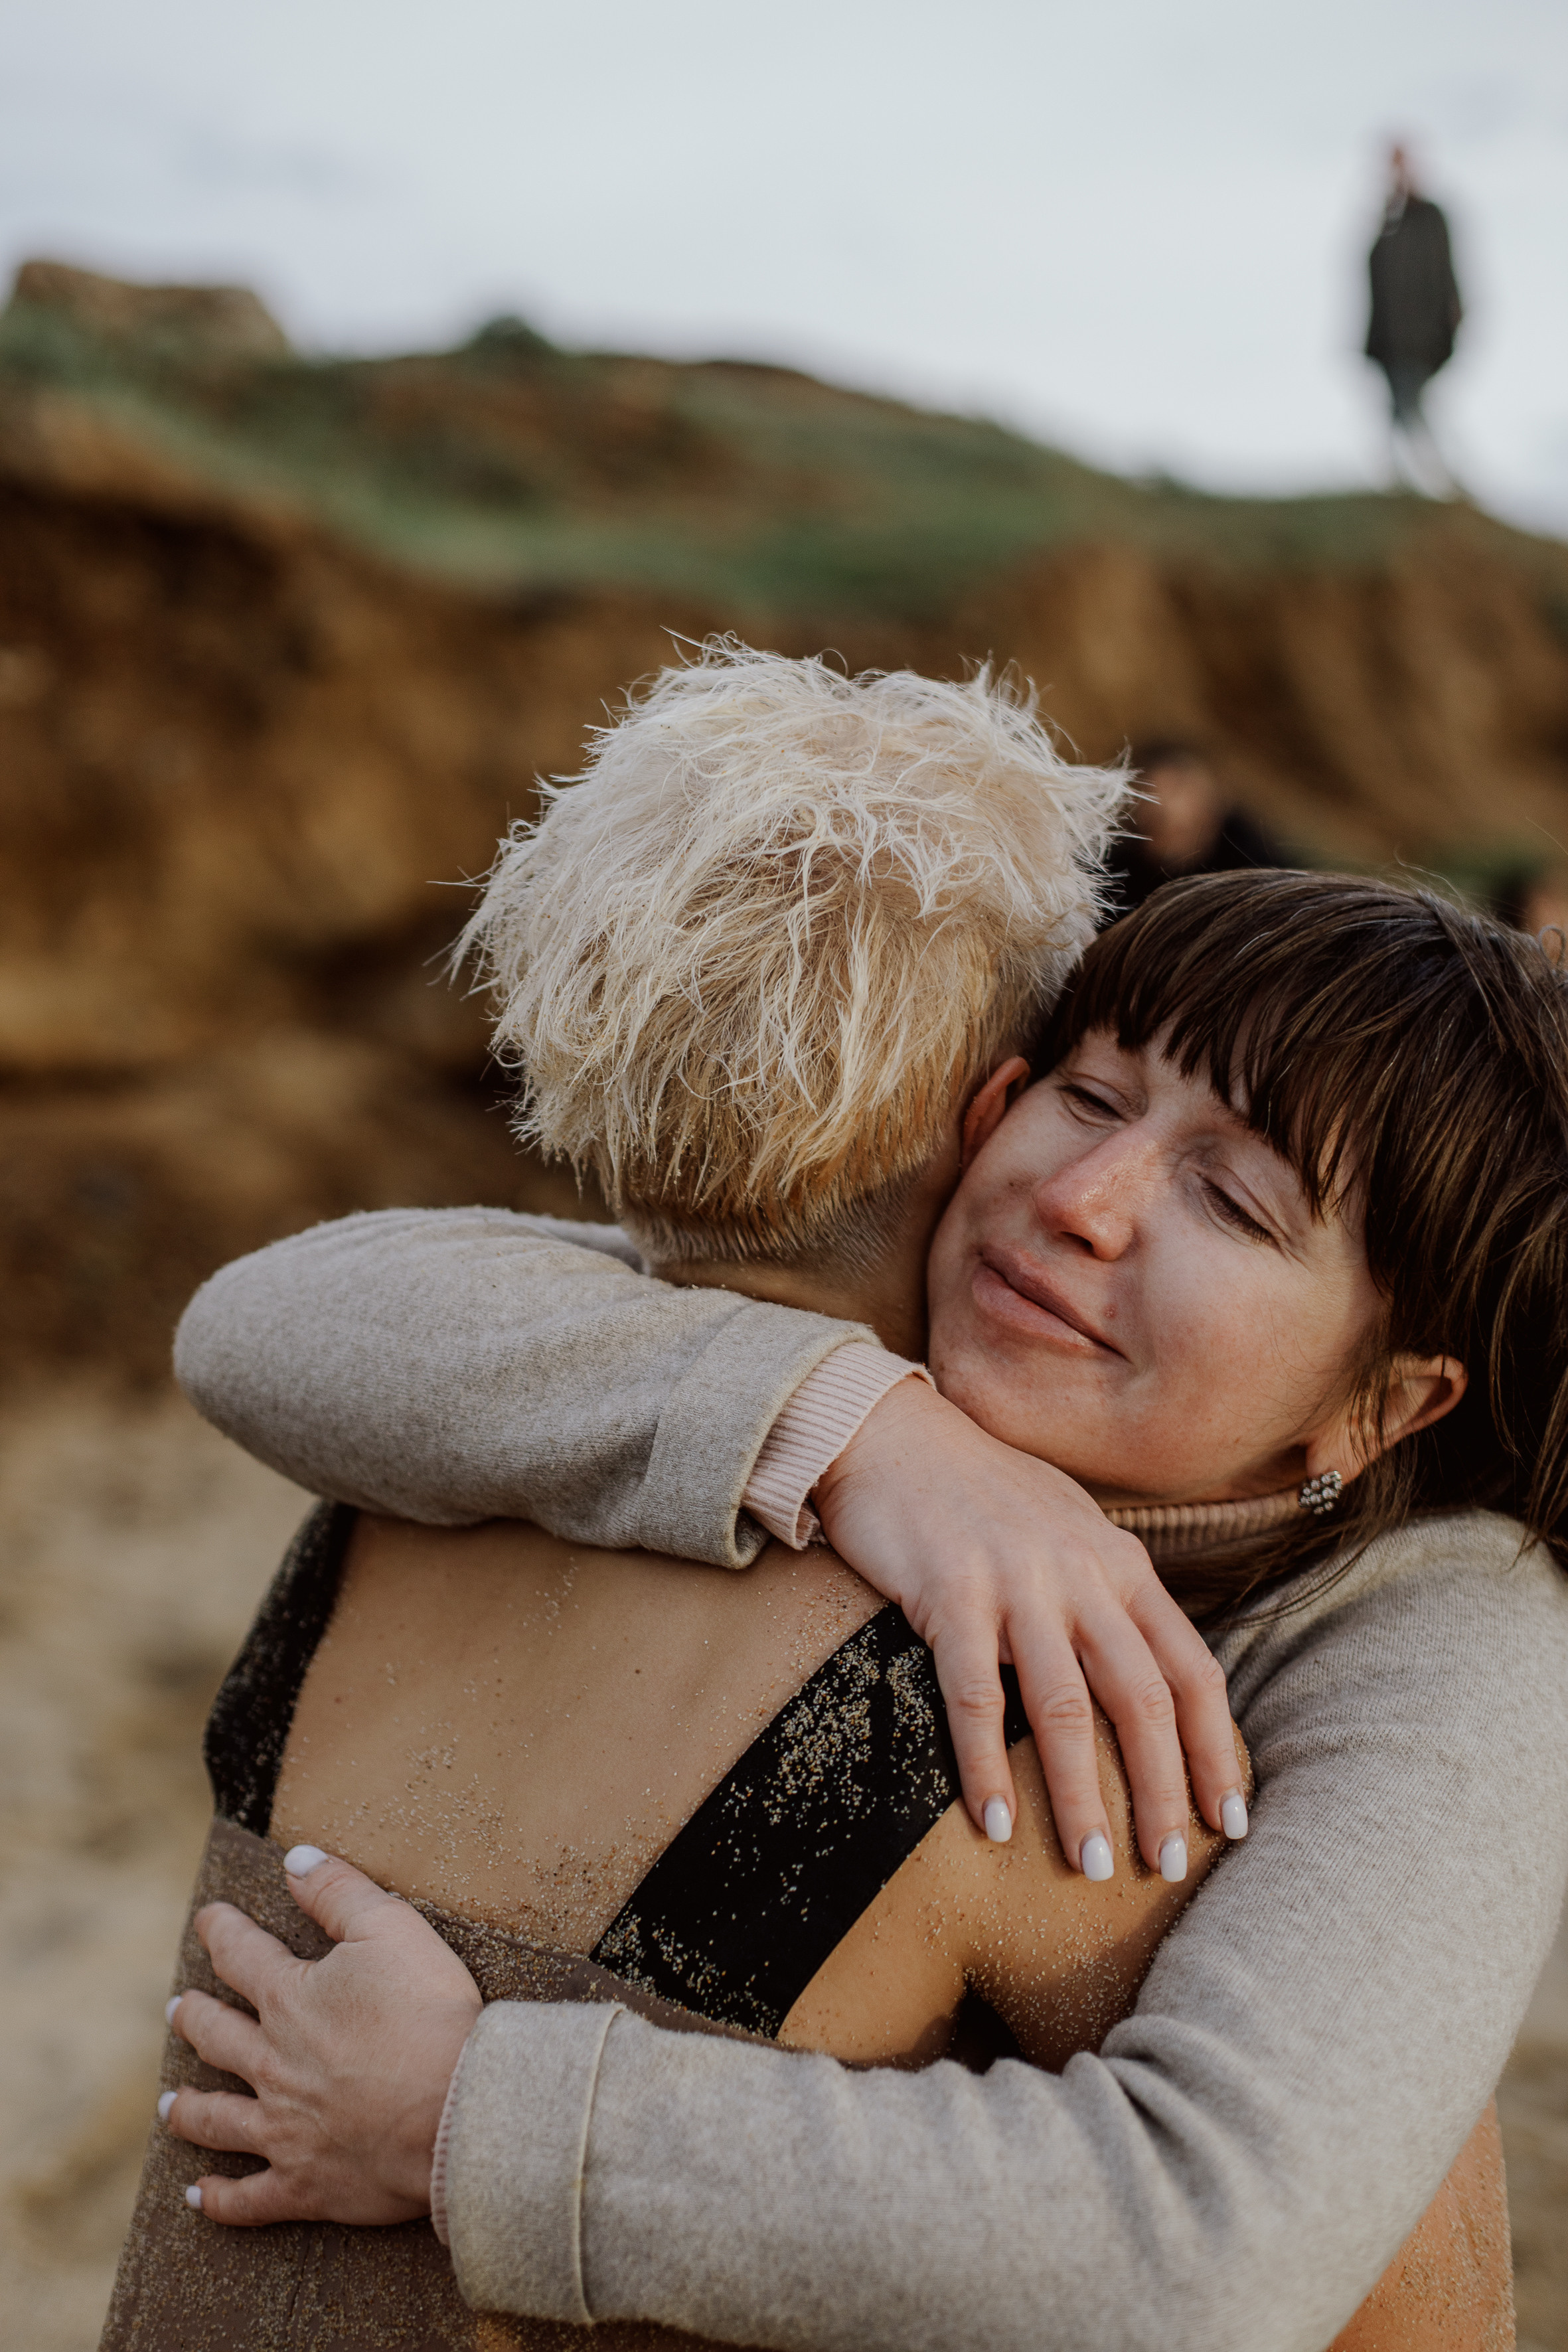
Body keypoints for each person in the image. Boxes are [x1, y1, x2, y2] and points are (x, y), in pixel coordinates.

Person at [161, 856, 1568, 2344]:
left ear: (1384, 1404)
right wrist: (848, 1428)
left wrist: (468, 2119)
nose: (1078, 1202)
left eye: (1228, 1198)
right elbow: (261, 1321)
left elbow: (1204, 2246)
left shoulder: (1454, 1643)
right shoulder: (915, 1330)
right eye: (1089, 1098)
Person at [1366, 143, 1464, 497]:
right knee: (1402, 408)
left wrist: (1450, 324)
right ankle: (1402, 479)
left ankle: (1437, 479)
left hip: (1422, 338)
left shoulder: (1429, 219)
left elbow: (1445, 275)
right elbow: (1378, 281)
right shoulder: (1387, 224)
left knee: (1411, 407)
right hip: (1392, 341)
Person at [1103, 738, 1281, 917]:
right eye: (1150, 797)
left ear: (1217, 795)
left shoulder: (1262, 870)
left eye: (1178, 791)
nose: (1165, 809)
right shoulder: (1116, 882)